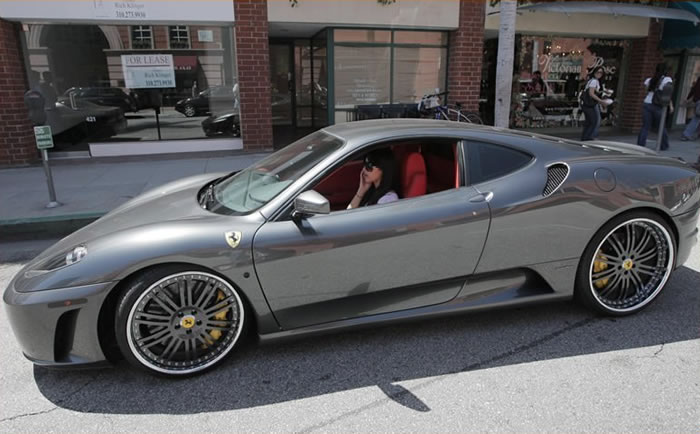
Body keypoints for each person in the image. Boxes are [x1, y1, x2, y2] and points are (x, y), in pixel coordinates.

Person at [637, 63, 673, 150]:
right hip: (657, 105)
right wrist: (671, 105)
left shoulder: (649, 80)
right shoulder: (667, 80)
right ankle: (664, 145)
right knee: (661, 126)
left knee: (645, 126)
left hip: (647, 103)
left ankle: (640, 145)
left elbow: (646, 91)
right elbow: (667, 94)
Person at [580, 67, 608, 141]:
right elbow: (591, 94)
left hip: (588, 103)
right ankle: (588, 137)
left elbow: (594, 91)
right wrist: (601, 101)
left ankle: (585, 137)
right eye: (597, 72)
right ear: (594, 72)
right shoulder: (594, 81)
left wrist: (603, 92)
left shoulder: (593, 81)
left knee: (590, 122)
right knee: (594, 121)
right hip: (589, 104)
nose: (599, 74)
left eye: (601, 72)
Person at [681, 77, 700, 141]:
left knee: (696, 118)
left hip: (697, 101)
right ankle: (686, 134)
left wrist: (688, 98)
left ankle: (687, 134)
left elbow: (693, 90)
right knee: (696, 119)